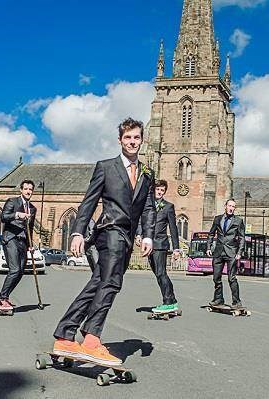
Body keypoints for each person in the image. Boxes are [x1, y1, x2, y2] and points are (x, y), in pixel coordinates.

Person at [53, 117, 155, 366]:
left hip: (128, 238)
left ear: (142, 140)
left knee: (98, 281)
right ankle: (91, 337)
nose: (132, 142)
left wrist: (149, 234)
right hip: (109, 231)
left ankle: (64, 334)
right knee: (111, 282)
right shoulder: (106, 167)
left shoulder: (147, 173)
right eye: (128, 137)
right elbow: (89, 201)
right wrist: (77, 232)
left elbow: (148, 208)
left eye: (136, 137)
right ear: (120, 140)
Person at [136, 179, 181, 314]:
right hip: (149, 244)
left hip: (161, 244)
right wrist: (139, 235)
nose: (160, 192)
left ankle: (168, 302)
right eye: (158, 189)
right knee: (159, 274)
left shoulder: (168, 207)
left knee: (161, 273)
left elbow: (173, 229)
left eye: (162, 190)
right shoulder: (146, 204)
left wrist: (176, 249)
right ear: (153, 190)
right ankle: (172, 301)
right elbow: (140, 221)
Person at [0, 180, 37, 313]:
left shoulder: (32, 208)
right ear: (21, 190)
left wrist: (30, 245)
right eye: (25, 189)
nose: (28, 191)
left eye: (30, 189)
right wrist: (17, 215)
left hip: (24, 242)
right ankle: (1, 299)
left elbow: (29, 228)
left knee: (20, 272)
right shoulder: (12, 202)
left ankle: (5, 297)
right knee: (14, 270)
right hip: (11, 239)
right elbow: (3, 217)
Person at [206, 198, 246, 309]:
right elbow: (211, 234)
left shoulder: (238, 221)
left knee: (231, 278)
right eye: (230, 206)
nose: (231, 208)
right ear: (225, 206)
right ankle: (218, 299)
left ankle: (236, 302)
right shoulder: (217, 219)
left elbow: (242, 238)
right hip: (218, 252)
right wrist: (208, 247)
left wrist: (239, 252)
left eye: (233, 207)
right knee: (216, 277)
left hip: (231, 253)